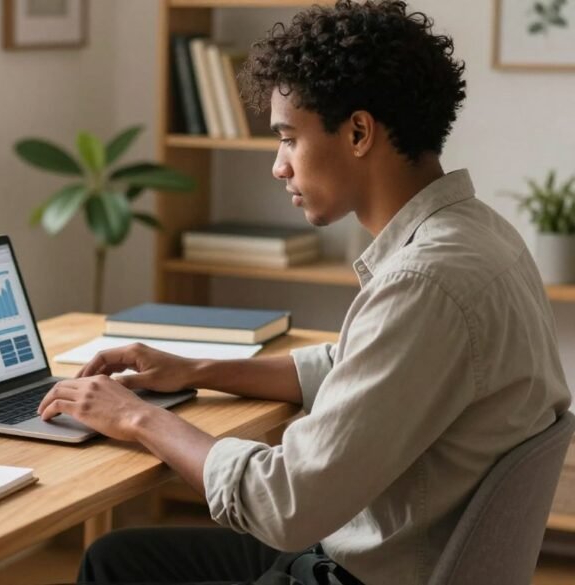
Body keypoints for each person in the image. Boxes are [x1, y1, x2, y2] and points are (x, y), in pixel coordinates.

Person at [36, 1, 572, 584]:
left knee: (118, 567)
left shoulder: (422, 283)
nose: (278, 166)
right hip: (387, 554)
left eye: (289, 138)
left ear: (359, 132)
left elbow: (283, 504)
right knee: (118, 559)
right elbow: (354, 367)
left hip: (359, 571)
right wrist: (195, 368)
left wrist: (138, 418)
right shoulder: (482, 234)